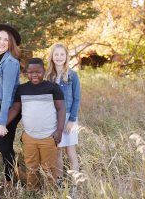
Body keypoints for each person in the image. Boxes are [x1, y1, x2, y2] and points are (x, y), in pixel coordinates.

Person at [6, 58, 66, 190]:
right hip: (29, 137)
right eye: (30, 72)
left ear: (44, 71)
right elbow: (15, 109)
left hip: (49, 137)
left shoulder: (52, 88)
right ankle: (32, 191)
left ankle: (51, 192)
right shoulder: (22, 89)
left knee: (49, 168)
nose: (34, 75)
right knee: (31, 167)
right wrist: (1, 124)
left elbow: (61, 108)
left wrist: (59, 131)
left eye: (38, 72)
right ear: (26, 72)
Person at [0, 23, 22, 185]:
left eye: (6, 40)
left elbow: (8, 94)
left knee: (5, 144)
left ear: (11, 43)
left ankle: (11, 183)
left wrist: (2, 122)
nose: (2, 42)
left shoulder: (10, 62)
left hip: (8, 109)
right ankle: (15, 170)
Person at [45, 43, 81, 187]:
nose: (59, 57)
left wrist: (72, 120)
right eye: (56, 54)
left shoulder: (72, 75)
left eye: (62, 54)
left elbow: (77, 98)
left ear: (66, 56)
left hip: (68, 117)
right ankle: (59, 181)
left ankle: (76, 181)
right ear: (52, 57)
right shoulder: (49, 76)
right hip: (54, 118)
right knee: (57, 150)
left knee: (70, 149)